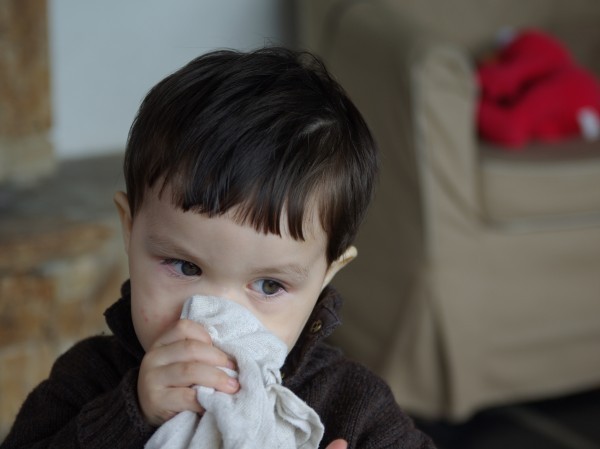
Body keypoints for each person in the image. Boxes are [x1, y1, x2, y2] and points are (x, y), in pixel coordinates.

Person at [1, 47, 435, 449]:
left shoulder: (353, 405)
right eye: (185, 267)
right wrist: (126, 416)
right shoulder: (88, 381)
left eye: (269, 286)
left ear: (326, 276)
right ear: (130, 231)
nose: (216, 320)